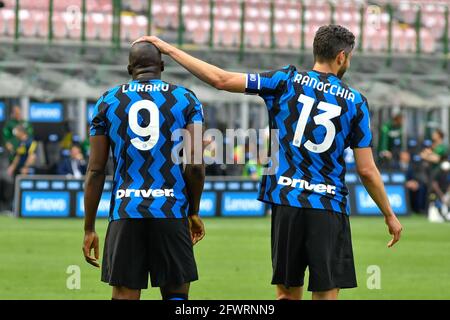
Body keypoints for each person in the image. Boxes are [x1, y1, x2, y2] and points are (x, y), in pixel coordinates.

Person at [135, 24, 403, 300]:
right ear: (342, 57)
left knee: (286, 294)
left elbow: (221, 80)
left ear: (316, 51)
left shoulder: (285, 81)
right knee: (326, 294)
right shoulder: (356, 103)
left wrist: (167, 48)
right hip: (328, 205)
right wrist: (389, 214)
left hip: (288, 202)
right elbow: (367, 170)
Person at [83, 42, 206, 300]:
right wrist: (193, 212)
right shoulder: (185, 99)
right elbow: (194, 165)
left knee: (125, 295)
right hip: (171, 210)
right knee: (176, 296)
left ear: (129, 69)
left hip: (126, 210)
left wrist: (89, 229)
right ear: (161, 66)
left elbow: (95, 171)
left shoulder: (108, 101)